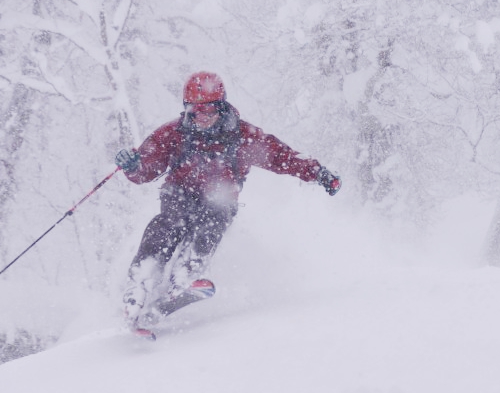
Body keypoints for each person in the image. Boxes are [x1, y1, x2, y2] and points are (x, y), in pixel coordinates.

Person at [115, 71, 341, 333]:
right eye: (195, 111)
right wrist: (133, 165)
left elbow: (282, 157)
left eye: (209, 109)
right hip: (179, 193)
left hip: (219, 198)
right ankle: (139, 285)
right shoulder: (173, 133)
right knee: (167, 224)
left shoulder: (242, 136)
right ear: (187, 111)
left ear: (221, 107)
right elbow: (147, 168)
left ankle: (184, 277)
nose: (203, 117)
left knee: (212, 221)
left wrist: (317, 172)